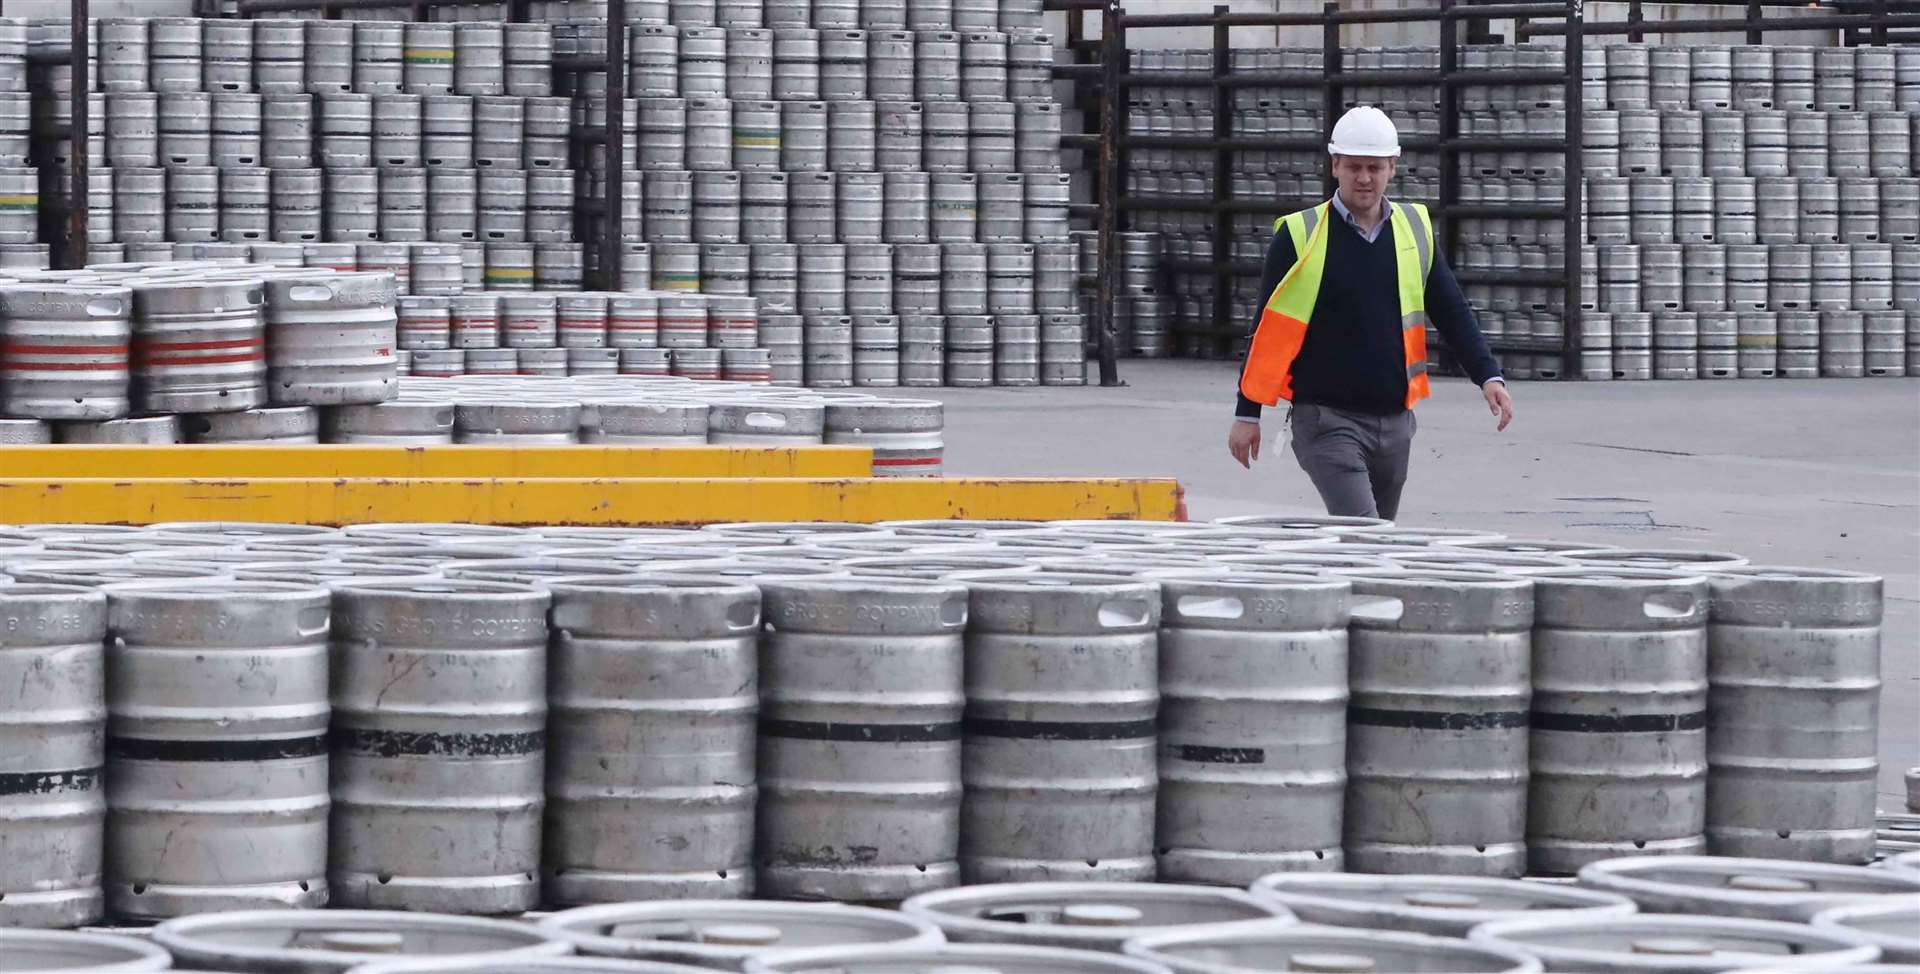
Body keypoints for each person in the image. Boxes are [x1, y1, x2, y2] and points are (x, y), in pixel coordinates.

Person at [1226, 105, 1514, 521]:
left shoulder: (1413, 229)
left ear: (1392, 168)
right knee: (1365, 535)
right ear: (1335, 166)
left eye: (1375, 168)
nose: (1364, 178)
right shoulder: (1300, 235)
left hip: (1395, 423)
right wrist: (1246, 413)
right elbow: (1265, 331)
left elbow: (1451, 309)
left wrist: (1488, 375)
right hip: (1326, 420)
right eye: (1355, 167)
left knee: (1375, 544)